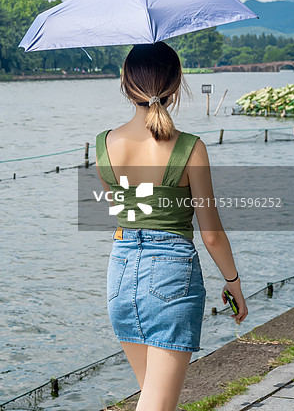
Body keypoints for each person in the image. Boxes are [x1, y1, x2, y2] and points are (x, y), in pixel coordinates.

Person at [95, 42, 248, 411]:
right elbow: (211, 234)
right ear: (176, 86)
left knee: (153, 398)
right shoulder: (191, 148)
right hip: (171, 278)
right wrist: (233, 284)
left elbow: (125, 212)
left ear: (125, 83)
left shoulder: (105, 144)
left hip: (121, 275)